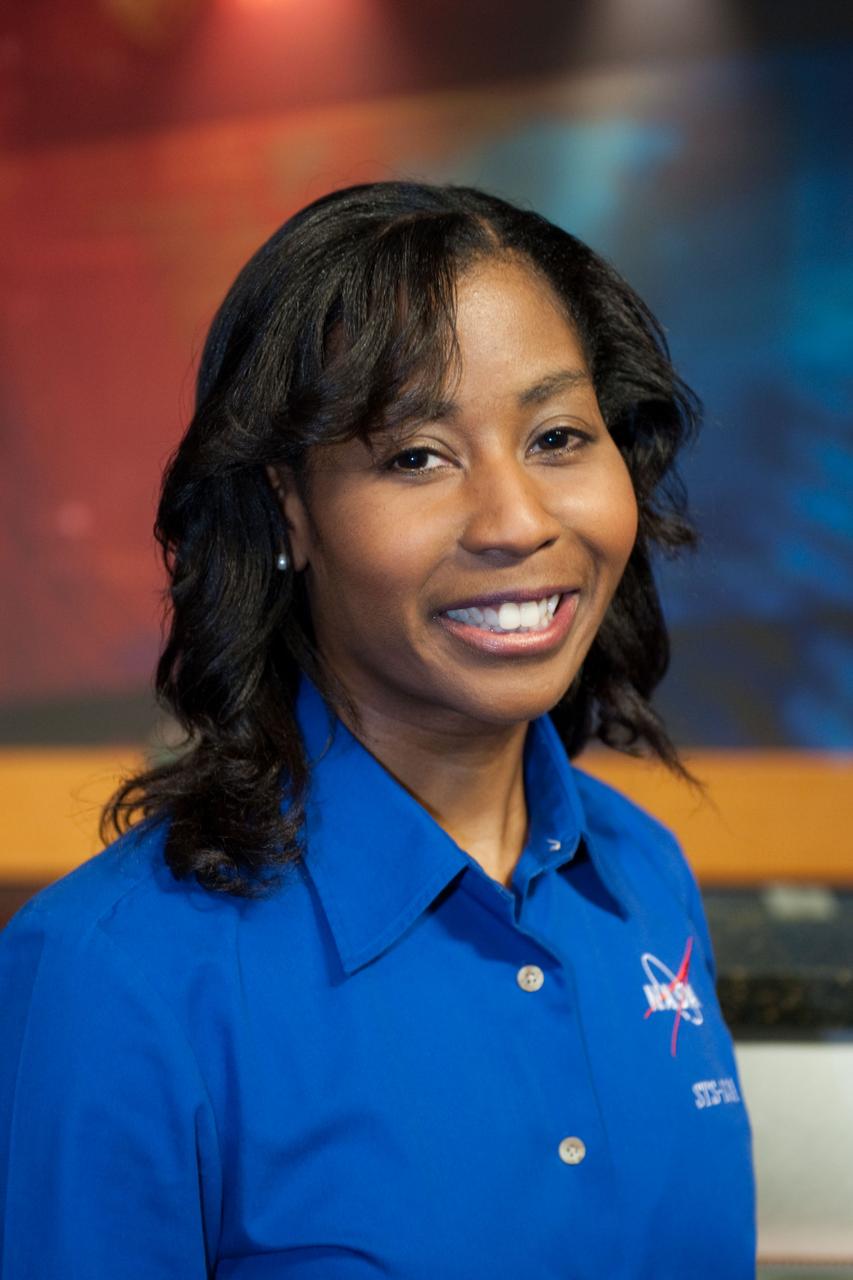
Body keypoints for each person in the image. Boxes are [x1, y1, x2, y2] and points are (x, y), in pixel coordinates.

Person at [0, 182, 755, 1277]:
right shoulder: (109, 979)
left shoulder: (645, 877)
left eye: (555, 436)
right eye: (416, 456)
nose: (516, 521)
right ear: (289, 509)